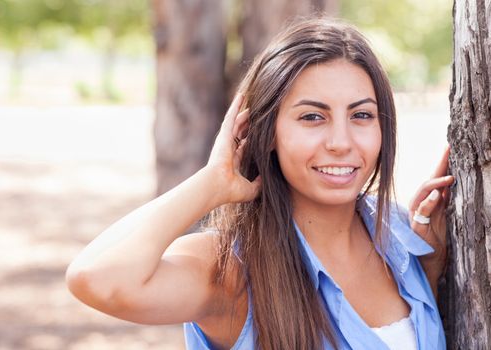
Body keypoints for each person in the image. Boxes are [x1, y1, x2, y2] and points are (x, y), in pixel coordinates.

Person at [65, 17, 454, 350]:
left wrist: (432, 264)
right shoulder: (231, 271)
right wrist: (212, 183)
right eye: (312, 118)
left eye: (362, 115)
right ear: (265, 133)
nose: (341, 142)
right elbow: (96, 278)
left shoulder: (401, 238)